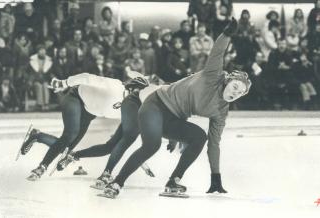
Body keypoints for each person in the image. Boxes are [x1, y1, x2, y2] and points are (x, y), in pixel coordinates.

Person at [101, 18, 251, 199]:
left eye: (241, 93)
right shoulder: (213, 75)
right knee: (152, 146)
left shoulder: (221, 111)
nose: (236, 93)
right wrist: (227, 34)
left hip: (174, 119)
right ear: (228, 81)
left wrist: (215, 176)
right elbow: (217, 52)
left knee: (199, 137)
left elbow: (214, 144)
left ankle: (174, 180)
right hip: (155, 105)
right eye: (235, 87)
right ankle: (117, 182)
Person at [18, 73, 129, 181]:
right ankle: (42, 167)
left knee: (66, 149)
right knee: (70, 135)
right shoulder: (115, 86)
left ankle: (37, 136)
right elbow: (87, 77)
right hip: (76, 98)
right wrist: (64, 83)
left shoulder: (131, 110)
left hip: (88, 114)